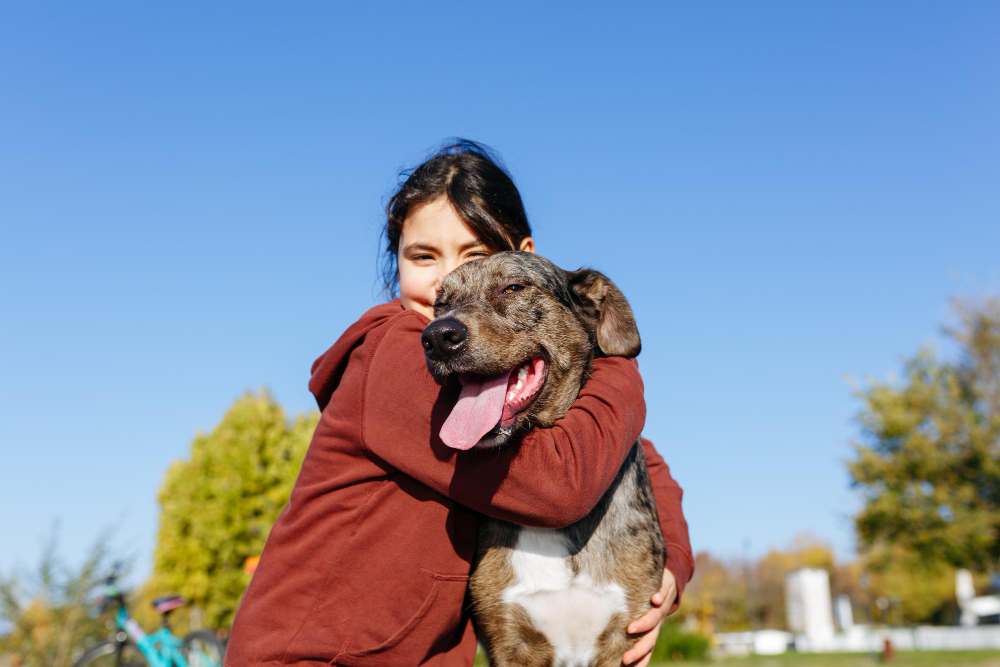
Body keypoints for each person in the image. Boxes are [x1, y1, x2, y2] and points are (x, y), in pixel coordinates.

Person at [226, 140, 693, 667]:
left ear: (525, 254)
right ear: (396, 265)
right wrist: (619, 363)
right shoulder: (387, 357)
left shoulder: (485, 373)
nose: (448, 280)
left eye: (476, 257)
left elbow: (637, 453)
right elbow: (561, 484)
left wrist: (669, 569)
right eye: (422, 257)